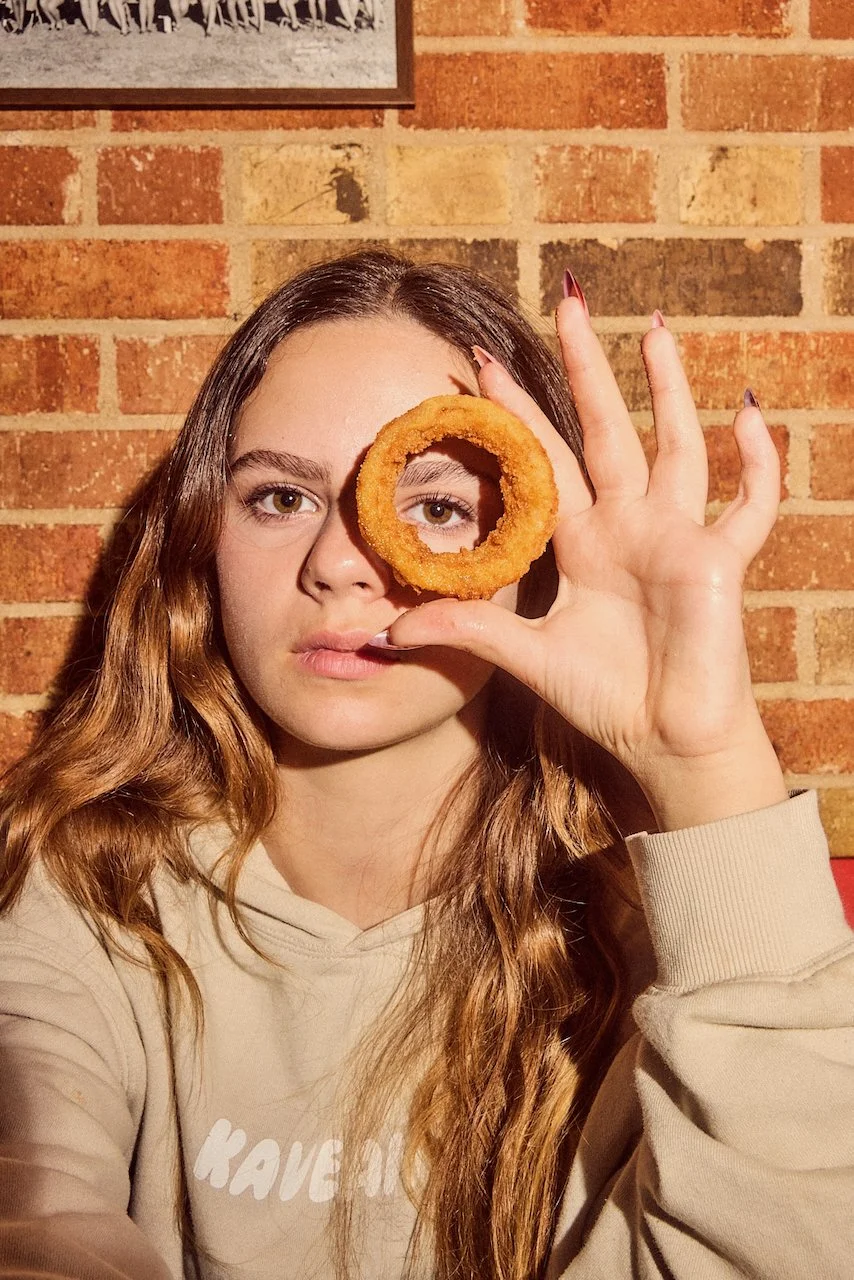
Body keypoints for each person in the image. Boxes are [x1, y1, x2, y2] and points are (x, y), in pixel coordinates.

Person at [0, 249, 851, 1280]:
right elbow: (35, 1187)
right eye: (278, 497)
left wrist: (703, 762)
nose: (339, 560)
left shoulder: (651, 948)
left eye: (435, 506)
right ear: (202, 533)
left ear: (536, 559)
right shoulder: (85, 883)